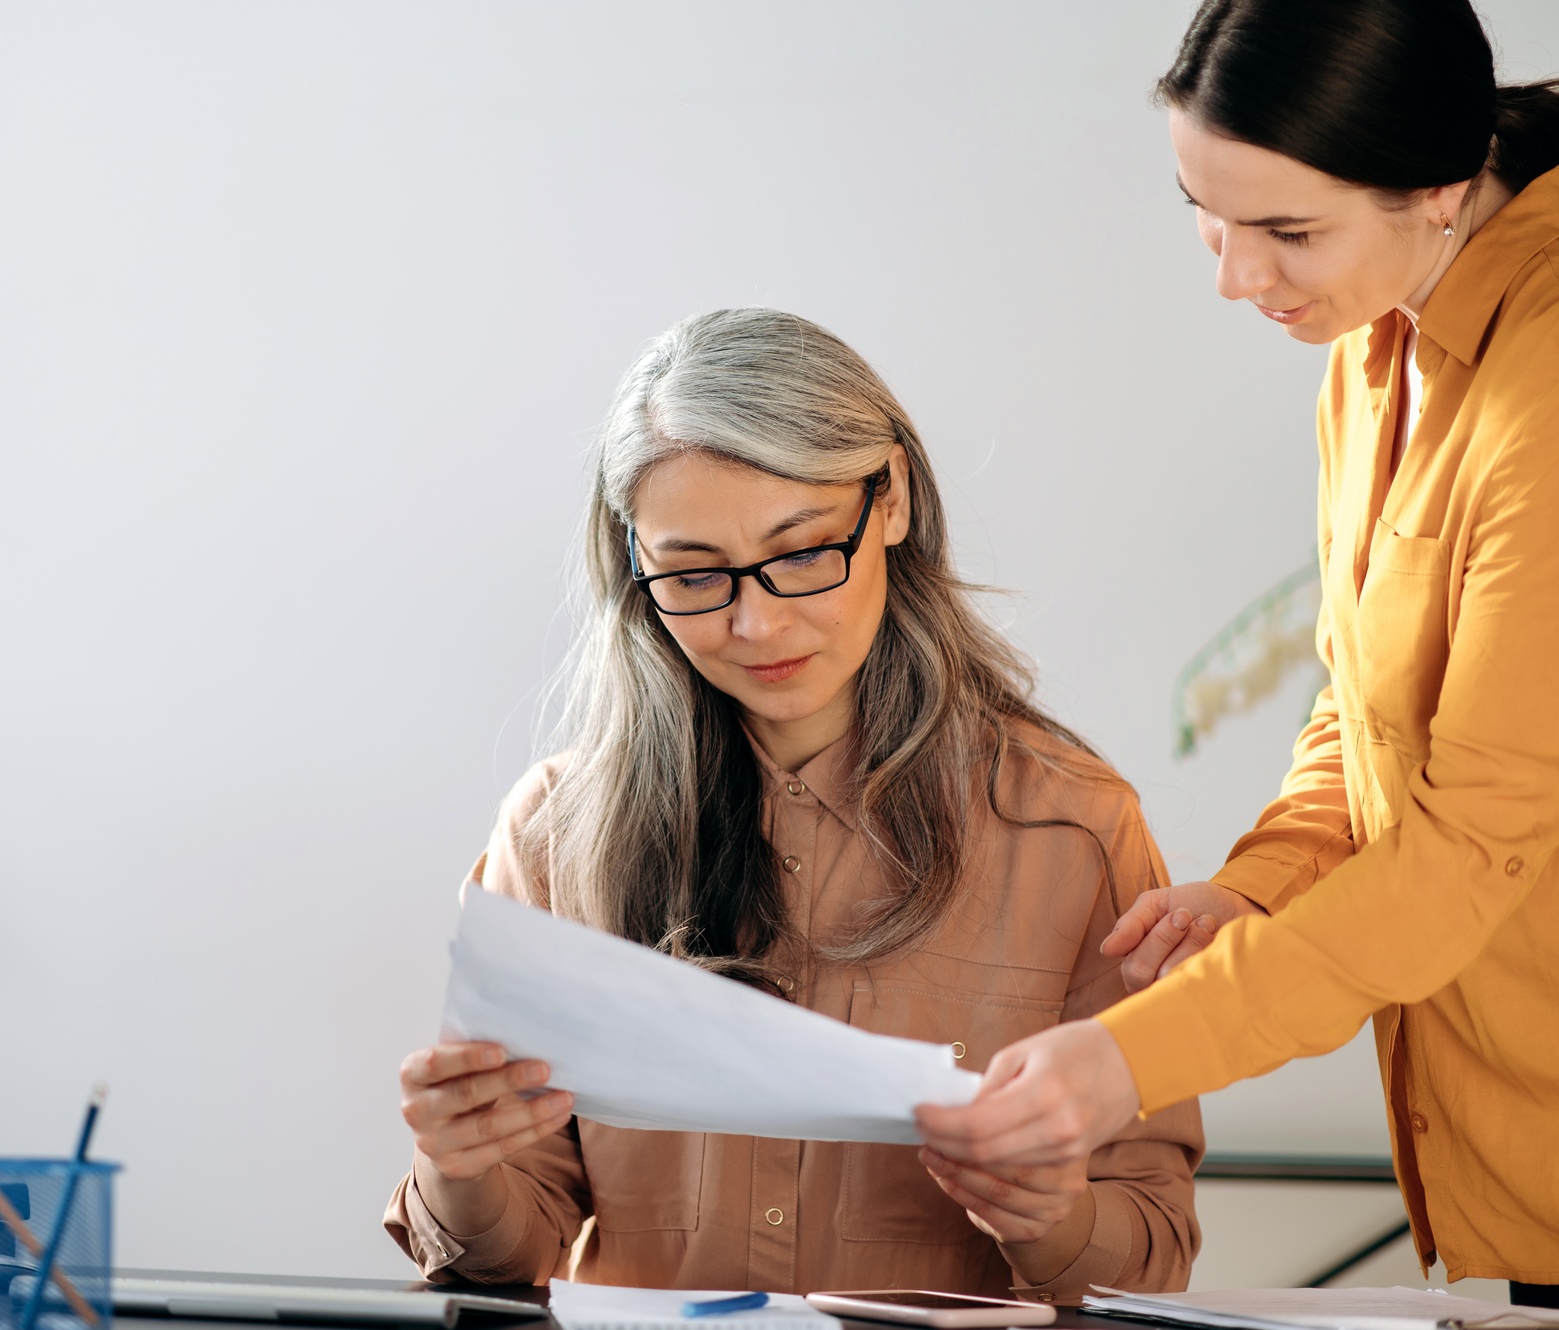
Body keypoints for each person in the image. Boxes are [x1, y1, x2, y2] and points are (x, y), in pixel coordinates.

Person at [913, 0, 1559, 1306]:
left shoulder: (1542, 397)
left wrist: (1125, 1060)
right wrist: (1259, 886)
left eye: (1285, 232)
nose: (1234, 278)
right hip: (1491, 1152)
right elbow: (1371, 709)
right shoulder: (1374, 352)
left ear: (1438, 188)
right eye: (1206, 214)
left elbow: (1476, 836)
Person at [382, 309, 1201, 1302]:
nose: (754, 621)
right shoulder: (557, 833)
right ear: (634, 566)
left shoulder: (1070, 829)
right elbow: (504, 1263)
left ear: (889, 497)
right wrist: (460, 1166)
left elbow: (1151, 1249)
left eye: (804, 550)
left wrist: (1050, 1213)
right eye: (692, 575)